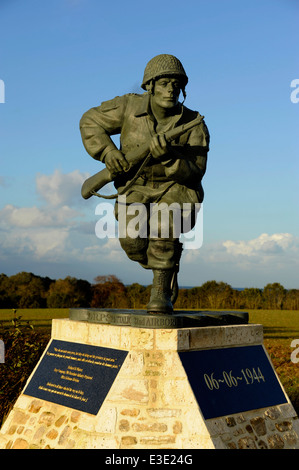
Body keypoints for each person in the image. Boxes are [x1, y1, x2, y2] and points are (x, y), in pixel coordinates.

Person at [80, 54, 210, 314]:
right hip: (134, 185)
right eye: (163, 83)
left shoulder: (194, 123)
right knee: (133, 243)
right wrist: (108, 153)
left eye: (176, 84)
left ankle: (161, 289)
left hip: (177, 187)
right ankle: (166, 265)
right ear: (149, 85)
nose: (170, 89)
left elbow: (196, 171)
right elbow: (89, 121)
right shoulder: (128, 107)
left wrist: (170, 158)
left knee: (164, 225)